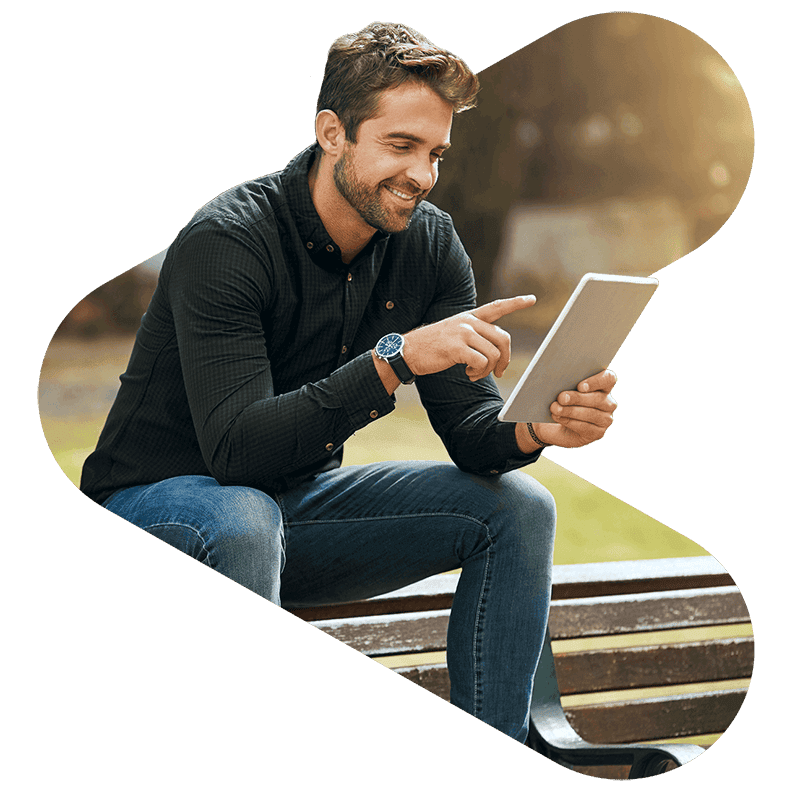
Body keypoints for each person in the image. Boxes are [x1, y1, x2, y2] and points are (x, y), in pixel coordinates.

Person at [80, 22, 618, 743]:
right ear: (333, 133)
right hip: (154, 510)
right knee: (242, 514)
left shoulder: (428, 244)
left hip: (285, 514)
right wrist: (394, 360)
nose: (423, 176)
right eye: (401, 146)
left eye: (435, 153)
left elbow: (469, 433)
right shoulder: (229, 240)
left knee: (519, 507)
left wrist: (530, 428)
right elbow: (238, 453)